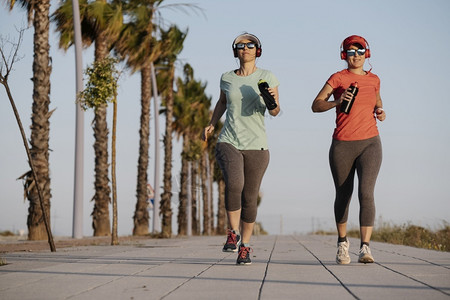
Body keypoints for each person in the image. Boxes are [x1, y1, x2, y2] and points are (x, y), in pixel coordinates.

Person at [202, 32, 280, 265]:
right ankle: (232, 233)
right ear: (235, 51)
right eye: (240, 45)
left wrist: (269, 100)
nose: (245, 48)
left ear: (258, 50)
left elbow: (275, 111)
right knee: (234, 184)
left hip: (257, 145)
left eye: (250, 45)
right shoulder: (227, 78)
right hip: (229, 140)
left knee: (249, 196)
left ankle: (245, 246)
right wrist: (212, 123)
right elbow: (222, 102)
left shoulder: (267, 76)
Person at [311, 35, 386, 264]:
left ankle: (365, 247)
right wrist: (337, 101)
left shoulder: (374, 80)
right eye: (351, 52)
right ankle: (343, 243)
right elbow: (316, 105)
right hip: (343, 143)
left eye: (360, 51)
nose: (356, 56)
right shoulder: (338, 78)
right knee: (344, 195)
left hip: (370, 143)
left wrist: (381, 111)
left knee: (366, 193)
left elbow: (377, 102)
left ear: (367, 54)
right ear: (344, 55)